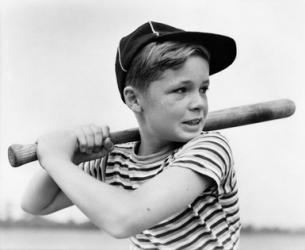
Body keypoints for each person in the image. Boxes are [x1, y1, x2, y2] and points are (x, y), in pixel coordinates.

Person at [22, 21, 241, 249]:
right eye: (181, 90)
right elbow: (36, 204)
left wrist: (56, 160)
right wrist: (71, 158)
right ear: (134, 99)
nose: (198, 103)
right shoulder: (116, 160)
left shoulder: (209, 147)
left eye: (203, 89)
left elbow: (124, 219)